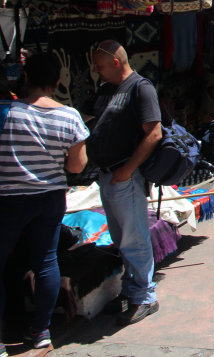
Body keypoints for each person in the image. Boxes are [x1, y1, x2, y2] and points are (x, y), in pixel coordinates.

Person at [0, 52, 89, 351]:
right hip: (50, 198)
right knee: (45, 262)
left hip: (9, 199)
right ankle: (40, 333)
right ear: (56, 81)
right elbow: (76, 167)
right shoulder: (70, 116)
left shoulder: (7, 112)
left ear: (26, 77)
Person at [86, 40, 162, 325]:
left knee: (134, 238)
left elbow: (153, 134)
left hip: (124, 176)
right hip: (109, 175)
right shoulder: (107, 90)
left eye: (100, 65)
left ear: (116, 63)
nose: (97, 71)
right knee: (121, 239)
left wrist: (127, 171)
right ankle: (132, 289)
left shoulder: (140, 88)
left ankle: (144, 297)